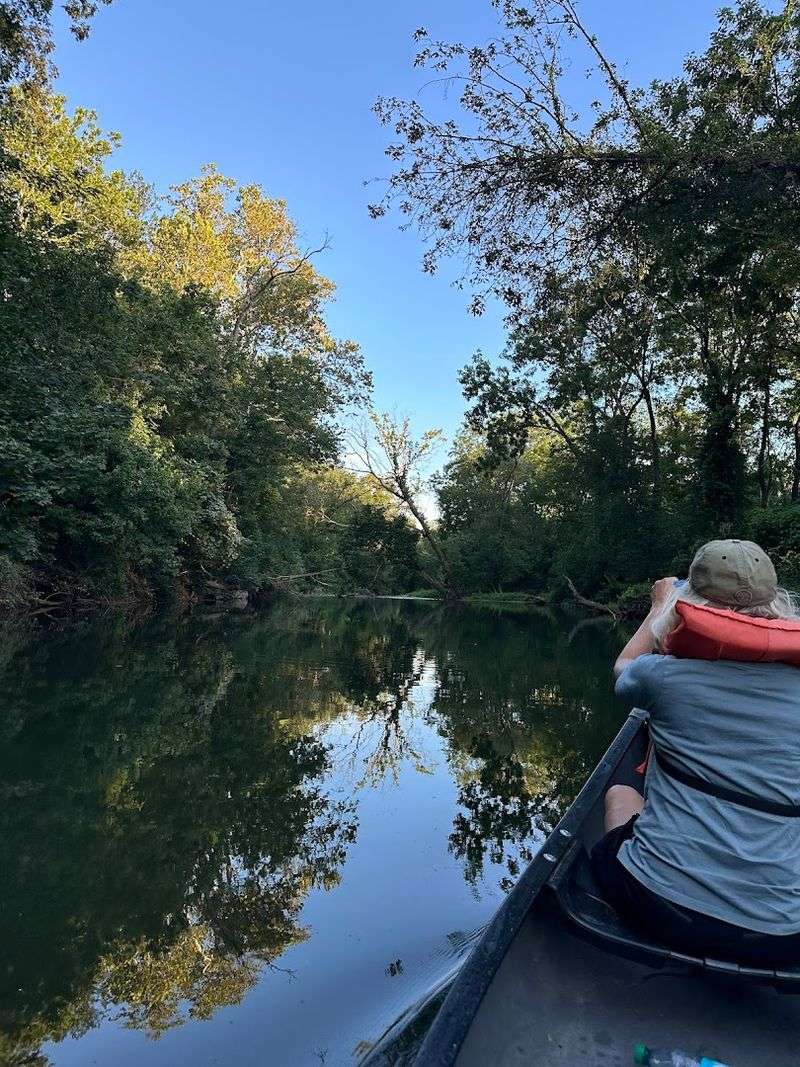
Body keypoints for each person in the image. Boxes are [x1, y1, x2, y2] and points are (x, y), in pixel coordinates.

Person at [591, 538, 800, 965]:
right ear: (777, 605)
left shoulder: (662, 678)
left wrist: (656, 609)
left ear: (690, 602)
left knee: (620, 795)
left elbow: (621, 670)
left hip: (660, 907)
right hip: (784, 936)